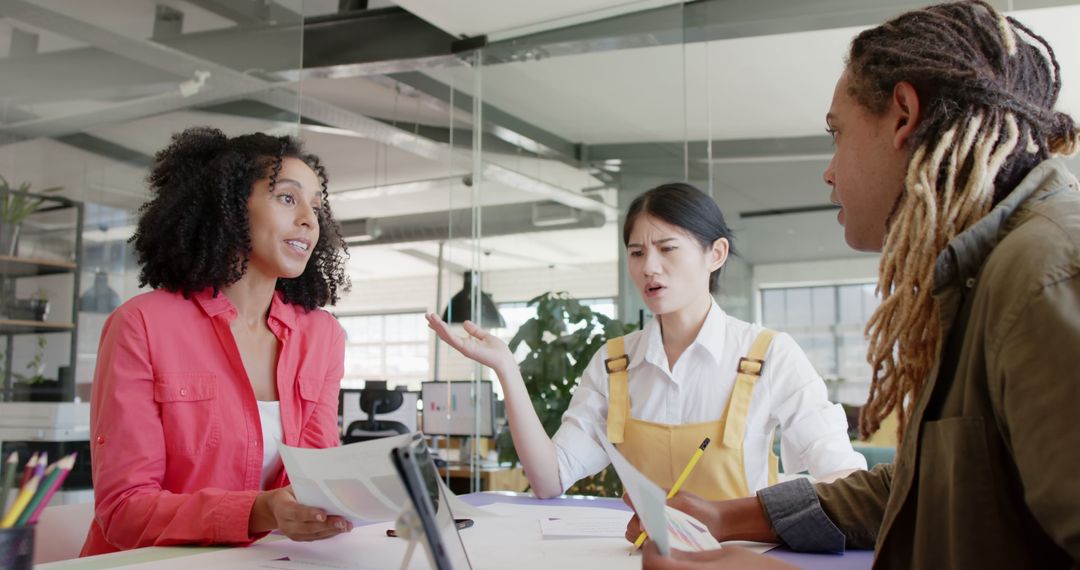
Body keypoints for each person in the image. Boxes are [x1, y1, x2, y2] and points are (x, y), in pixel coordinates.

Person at [627, 1, 1080, 568]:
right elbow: (917, 488)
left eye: (836, 133)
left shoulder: (1047, 274)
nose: (829, 170)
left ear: (903, 116)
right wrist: (729, 517)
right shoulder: (985, 273)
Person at [427, 182, 865, 502]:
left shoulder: (769, 355)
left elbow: (842, 476)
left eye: (667, 248)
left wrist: (774, 505)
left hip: (738, 557)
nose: (649, 267)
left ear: (716, 254)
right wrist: (505, 367)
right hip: (639, 557)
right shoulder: (613, 364)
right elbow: (549, 479)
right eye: (637, 253)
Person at [81, 127, 353, 556]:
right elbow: (124, 510)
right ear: (227, 208)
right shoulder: (141, 325)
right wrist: (260, 511)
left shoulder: (322, 336)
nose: (309, 219)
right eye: (287, 198)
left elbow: (317, 478)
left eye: (316, 207)